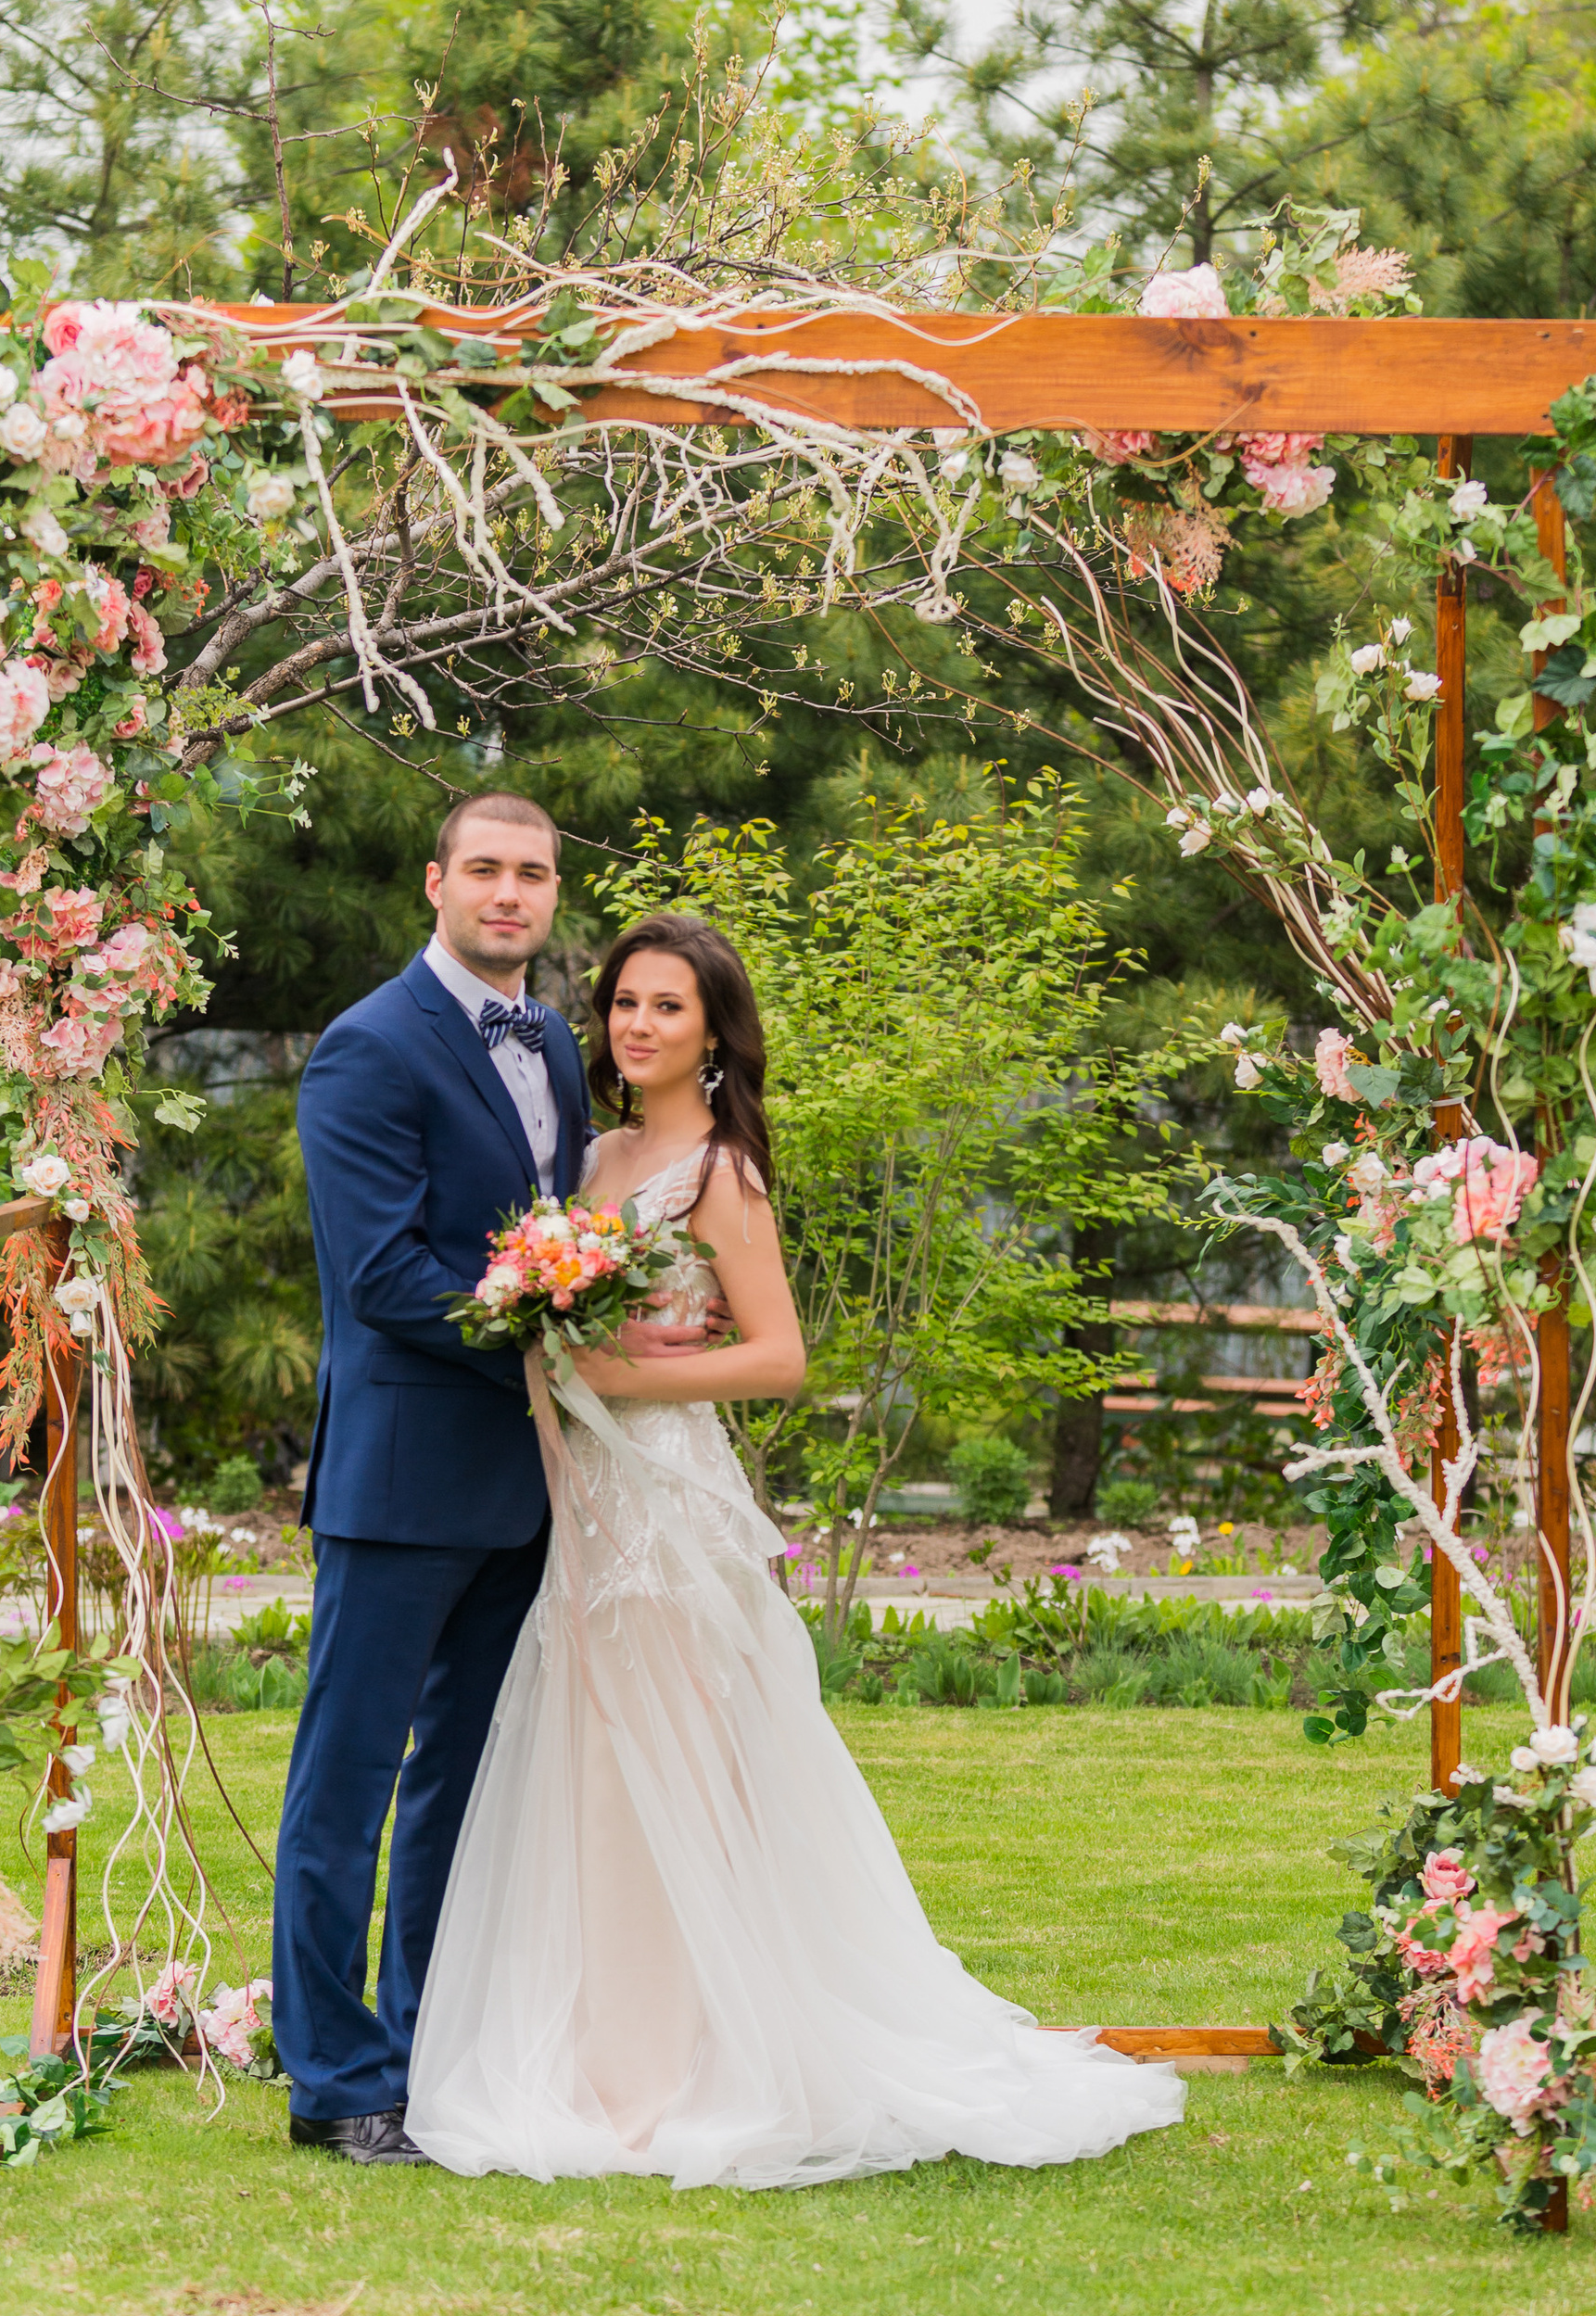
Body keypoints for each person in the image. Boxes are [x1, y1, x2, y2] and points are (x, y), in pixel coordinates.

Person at [404, 909, 1185, 2187]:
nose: (637, 1025)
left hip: (665, 1502)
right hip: (578, 1495)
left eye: (667, 1006)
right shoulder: (592, 1156)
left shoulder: (721, 1170)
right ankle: (595, 2047)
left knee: (671, 1768)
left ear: (713, 1032)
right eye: (623, 1004)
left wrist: (625, 1373)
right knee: (586, 1766)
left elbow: (779, 1356)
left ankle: (676, 2069)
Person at [274, 791, 707, 2160]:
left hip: (529, 1486)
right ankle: (336, 2083)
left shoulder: (559, 1059)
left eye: (531, 874)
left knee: (462, 1789)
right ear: (435, 882)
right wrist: (554, 1338)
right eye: (484, 870)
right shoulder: (366, 1049)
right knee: (345, 1787)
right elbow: (383, 1274)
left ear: (551, 894)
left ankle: (430, 2051)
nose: (508, 894)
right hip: (405, 1475)